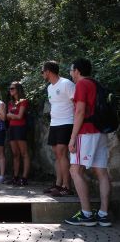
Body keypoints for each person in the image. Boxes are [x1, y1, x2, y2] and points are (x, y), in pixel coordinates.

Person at [65, 58, 111, 227]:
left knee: (75, 170)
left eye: (71, 70)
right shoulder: (95, 84)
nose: (70, 73)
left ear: (77, 70)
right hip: (100, 131)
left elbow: (80, 112)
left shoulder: (82, 85)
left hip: (85, 133)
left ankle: (86, 214)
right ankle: (103, 215)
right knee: (102, 172)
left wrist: (72, 137)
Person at [41, 61, 75, 196]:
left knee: (62, 152)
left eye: (42, 71)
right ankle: (58, 184)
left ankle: (67, 187)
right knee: (57, 153)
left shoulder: (66, 83)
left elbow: (76, 104)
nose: (42, 74)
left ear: (48, 71)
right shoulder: (49, 87)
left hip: (67, 122)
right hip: (54, 124)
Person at [6, 82, 30, 186]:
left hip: (20, 128)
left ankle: (24, 178)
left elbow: (20, 116)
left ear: (18, 89)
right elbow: (7, 117)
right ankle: (15, 177)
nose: (10, 90)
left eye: (12, 88)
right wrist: (11, 115)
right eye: (10, 89)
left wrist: (11, 115)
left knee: (24, 153)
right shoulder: (10, 103)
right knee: (15, 154)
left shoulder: (23, 101)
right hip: (12, 128)